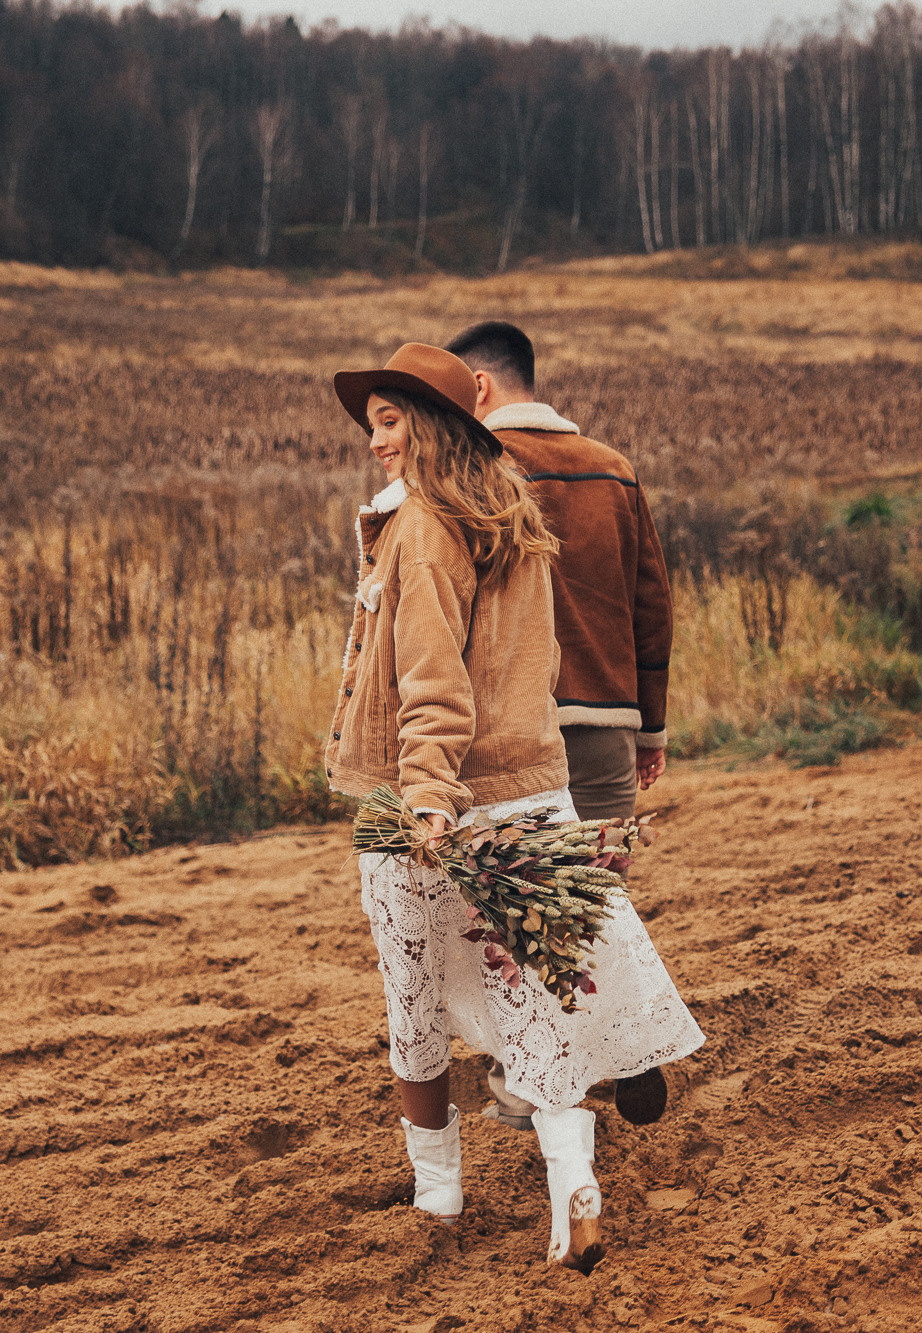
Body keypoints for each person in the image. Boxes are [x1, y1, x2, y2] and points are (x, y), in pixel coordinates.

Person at [325, 342, 704, 1273]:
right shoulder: (513, 518)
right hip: (535, 791)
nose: (375, 441)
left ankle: (436, 1192)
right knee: (536, 998)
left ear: (433, 421)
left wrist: (424, 801)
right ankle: (574, 1184)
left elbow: (431, 682)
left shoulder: (421, 528)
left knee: (413, 1003)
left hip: (430, 805)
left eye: (387, 420)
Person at [444, 320, 680, 1132]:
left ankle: (531, 1068)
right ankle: (630, 1039)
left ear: (478, 388)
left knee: (517, 898)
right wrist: (649, 726)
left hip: (516, 729)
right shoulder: (614, 471)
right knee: (598, 888)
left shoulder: (474, 470)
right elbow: (652, 603)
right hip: (610, 717)